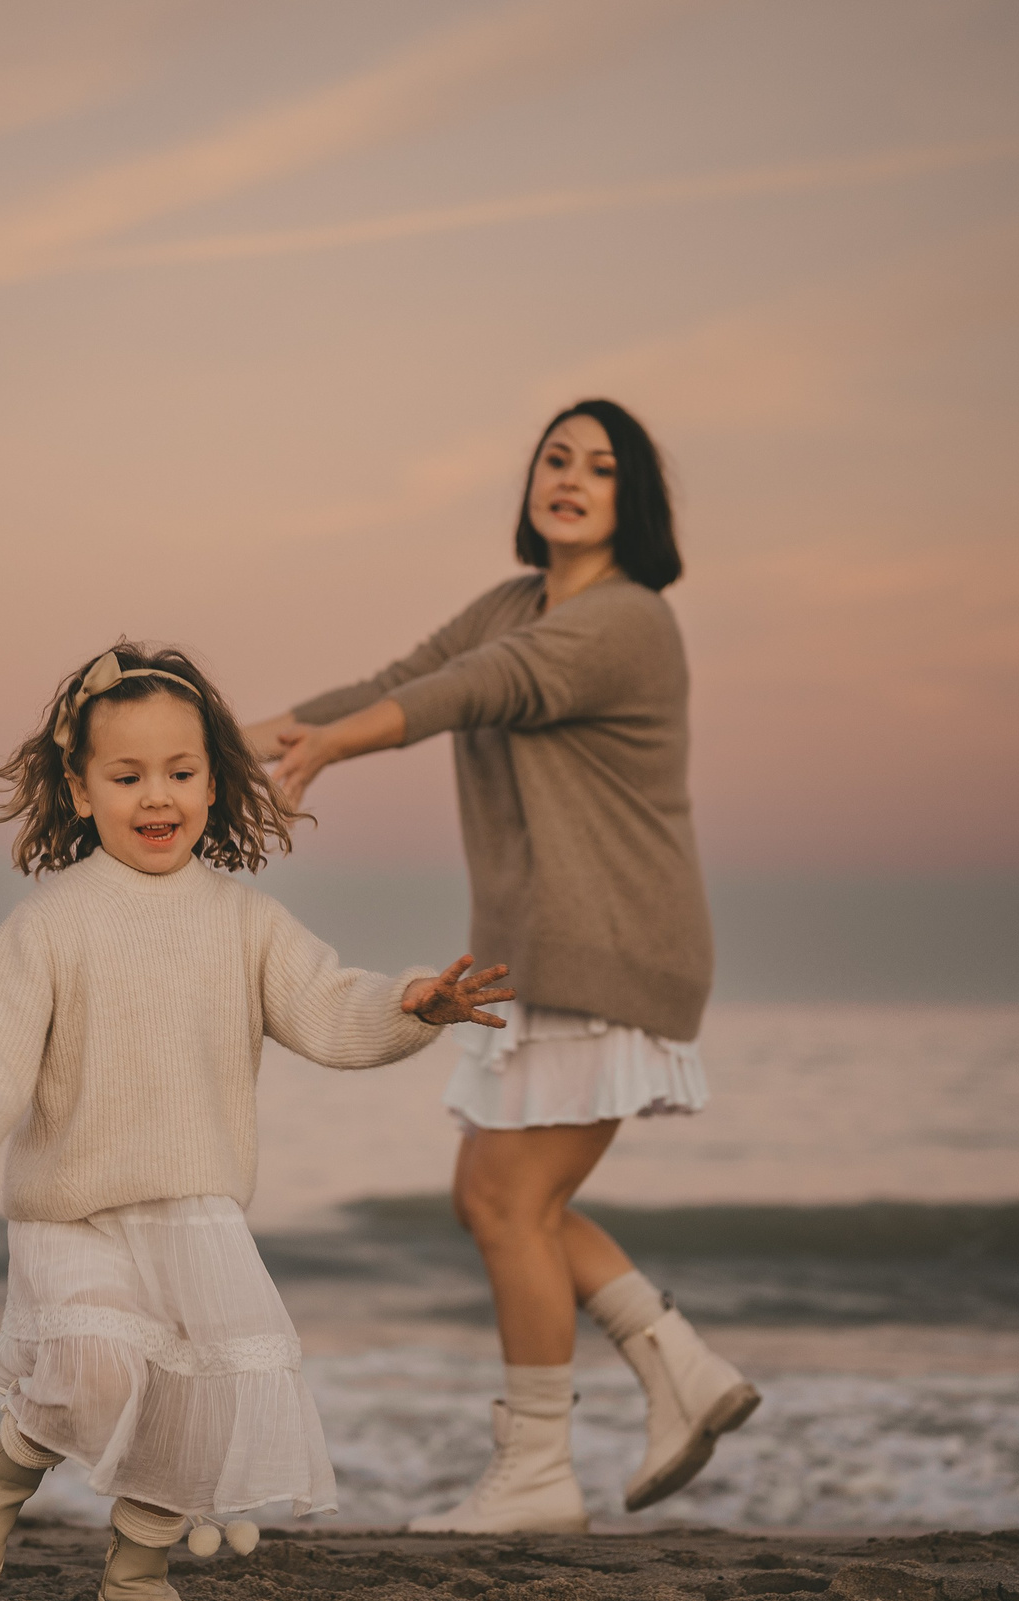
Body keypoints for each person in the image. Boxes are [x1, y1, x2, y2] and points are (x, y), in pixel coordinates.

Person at [0, 641, 511, 1601]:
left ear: (214, 782)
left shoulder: (243, 919)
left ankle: (135, 1573)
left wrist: (411, 1002)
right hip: (72, 1209)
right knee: (90, 1369)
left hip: (195, 1213)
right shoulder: (53, 922)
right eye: (127, 775)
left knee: (194, 1402)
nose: (156, 795)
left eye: (180, 771)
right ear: (81, 790)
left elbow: (327, 1005)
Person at [243, 399, 757, 1534]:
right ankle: (678, 1364)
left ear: (634, 500)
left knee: (508, 1200)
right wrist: (230, 743)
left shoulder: (629, 620)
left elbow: (473, 689)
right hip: (548, 952)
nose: (569, 478)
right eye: (554, 458)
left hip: (612, 944)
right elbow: (406, 672)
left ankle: (536, 1471)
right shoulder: (514, 601)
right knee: (500, 1196)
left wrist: (335, 746)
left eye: (601, 467)